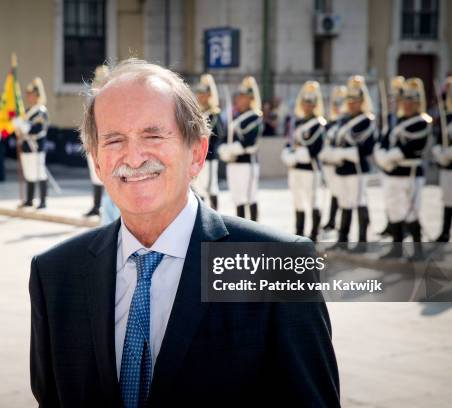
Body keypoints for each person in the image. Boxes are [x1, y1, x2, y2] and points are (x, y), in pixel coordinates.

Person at [29, 59, 339, 407]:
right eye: (114, 140)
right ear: (97, 161)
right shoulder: (55, 275)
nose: (133, 157)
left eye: (153, 135)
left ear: (197, 153)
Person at [374, 78, 431, 258]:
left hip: (411, 174)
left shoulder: (422, 122)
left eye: (411, 102)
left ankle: (418, 250)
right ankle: (396, 248)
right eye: (405, 101)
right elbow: (383, 142)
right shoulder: (396, 121)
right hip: (392, 173)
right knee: (394, 210)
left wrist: (389, 156)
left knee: (411, 211)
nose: (407, 105)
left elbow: (411, 147)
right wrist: (381, 155)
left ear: (417, 103)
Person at [330, 76, 376, 251]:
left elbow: (367, 147)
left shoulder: (367, 120)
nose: (351, 104)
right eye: (349, 100)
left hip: (358, 169)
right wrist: (336, 154)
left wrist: (346, 153)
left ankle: (362, 241)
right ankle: (342, 239)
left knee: (359, 202)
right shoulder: (343, 120)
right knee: (345, 203)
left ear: (362, 102)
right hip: (342, 168)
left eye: (355, 101)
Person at [281, 81, 326, 242]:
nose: (307, 106)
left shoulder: (318, 124)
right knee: (298, 201)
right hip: (295, 168)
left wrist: (298, 153)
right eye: (305, 103)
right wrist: (288, 154)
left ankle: (314, 234)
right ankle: (299, 233)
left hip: (310, 169)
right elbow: (289, 143)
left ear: (315, 105)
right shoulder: (297, 123)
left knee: (313, 201)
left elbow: (315, 149)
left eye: (310, 103)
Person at [217, 76, 263, 220]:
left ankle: (255, 231)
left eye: (242, 97)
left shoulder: (255, 117)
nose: (239, 100)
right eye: (238, 96)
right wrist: (224, 149)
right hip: (233, 163)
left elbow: (250, 142)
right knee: (237, 198)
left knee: (250, 197)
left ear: (250, 98)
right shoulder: (235, 117)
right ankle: (243, 231)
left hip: (248, 163)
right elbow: (225, 138)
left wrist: (231, 149)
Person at [376, 76, 405, 237]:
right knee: (390, 199)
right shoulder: (388, 117)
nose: (392, 102)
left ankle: (405, 229)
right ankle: (390, 225)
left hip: (400, 164)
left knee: (403, 203)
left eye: (396, 98)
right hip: (386, 163)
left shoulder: (403, 119)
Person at [14, 77, 49, 209]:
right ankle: (29, 200)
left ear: (37, 96)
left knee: (40, 173)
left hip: (36, 146)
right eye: (28, 95)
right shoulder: (27, 112)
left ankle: (43, 201)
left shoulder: (41, 111)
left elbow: (40, 129)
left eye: (31, 95)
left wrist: (26, 128)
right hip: (26, 146)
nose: (29, 97)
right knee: (29, 173)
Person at [191, 73, 224, 210]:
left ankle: (214, 216)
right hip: (195, 157)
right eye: (198, 93)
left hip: (209, 157)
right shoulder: (196, 113)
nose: (199, 96)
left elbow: (219, 134)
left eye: (203, 93)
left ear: (209, 95)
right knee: (198, 188)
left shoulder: (214, 114)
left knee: (211, 188)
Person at [84, 65, 109, 217]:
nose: (97, 84)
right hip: (93, 139)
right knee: (95, 174)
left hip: (104, 140)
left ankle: (109, 208)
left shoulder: (110, 99)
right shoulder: (91, 99)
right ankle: (97, 205)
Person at [321, 85, 346, 231]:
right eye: (335, 104)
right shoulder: (329, 123)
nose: (337, 107)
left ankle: (337, 222)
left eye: (340, 104)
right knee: (333, 193)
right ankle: (331, 220)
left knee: (341, 195)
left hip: (338, 164)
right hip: (328, 164)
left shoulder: (343, 124)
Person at [432, 76, 452, 242]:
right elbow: (439, 140)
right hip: (447, 168)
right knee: (447, 200)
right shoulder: (446, 118)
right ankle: (445, 232)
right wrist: (439, 153)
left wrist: (448, 153)